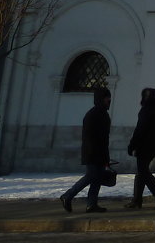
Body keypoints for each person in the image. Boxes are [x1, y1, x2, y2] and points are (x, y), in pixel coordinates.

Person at [60, 86, 112, 214]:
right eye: (107, 98)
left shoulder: (103, 114)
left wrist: (105, 156)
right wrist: (94, 153)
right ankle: (68, 195)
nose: (109, 100)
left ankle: (91, 204)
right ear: (101, 99)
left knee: (97, 178)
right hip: (93, 153)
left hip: (100, 153)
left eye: (109, 98)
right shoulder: (93, 114)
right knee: (90, 176)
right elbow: (89, 137)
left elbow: (104, 138)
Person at [125, 86, 155, 209]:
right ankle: (136, 200)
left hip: (144, 146)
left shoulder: (146, 110)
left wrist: (132, 145)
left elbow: (139, 130)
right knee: (141, 172)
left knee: (143, 172)